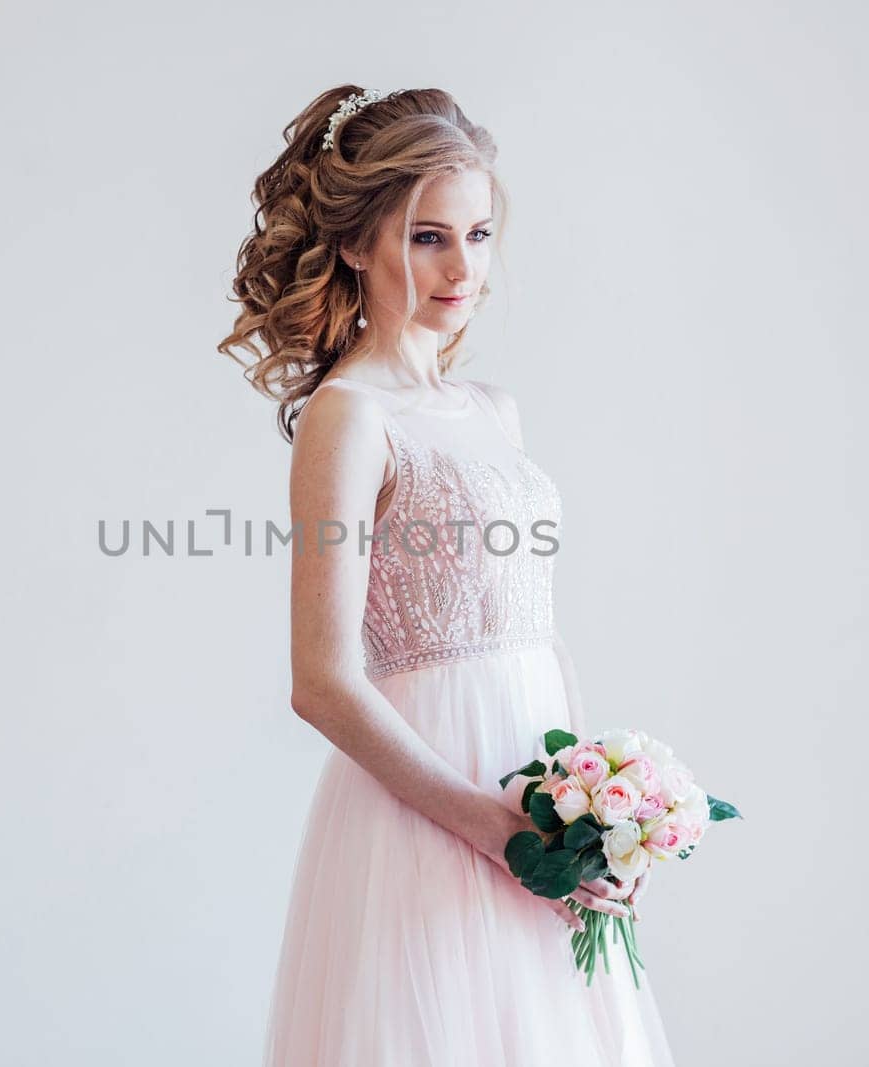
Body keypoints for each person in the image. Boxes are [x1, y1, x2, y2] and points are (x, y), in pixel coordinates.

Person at [219, 85, 676, 1066]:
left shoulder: (492, 410)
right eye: (428, 237)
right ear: (355, 242)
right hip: (433, 808)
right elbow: (321, 681)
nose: (463, 266)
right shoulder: (351, 417)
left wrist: (588, 820)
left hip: (530, 796)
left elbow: (533, 629)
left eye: (477, 232)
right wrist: (487, 826)